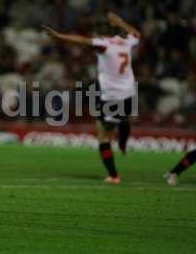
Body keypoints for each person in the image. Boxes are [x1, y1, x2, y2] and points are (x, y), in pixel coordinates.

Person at [43, 12, 141, 184]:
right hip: (129, 92)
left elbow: (82, 41)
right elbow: (137, 34)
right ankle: (123, 142)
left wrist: (59, 36)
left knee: (103, 136)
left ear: (98, 33)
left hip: (111, 96)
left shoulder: (104, 44)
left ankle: (114, 176)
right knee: (119, 120)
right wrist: (121, 22)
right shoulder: (125, 41)